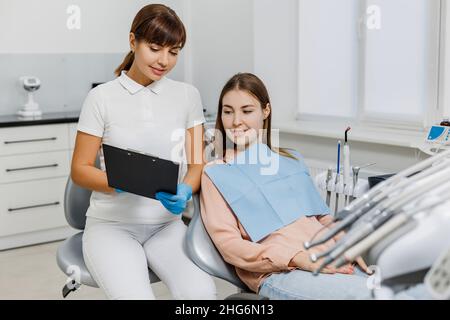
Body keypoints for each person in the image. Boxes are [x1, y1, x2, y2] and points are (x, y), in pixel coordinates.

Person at [200, 73, 429, 300]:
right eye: (228, 111)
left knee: (419, 291)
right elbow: (229, 245)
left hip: (328, 254)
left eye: (247, 111)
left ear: (265, 111)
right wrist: (297, 257)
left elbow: (322, 218)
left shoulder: (291, 160)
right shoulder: (216, 172)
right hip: (282, 271)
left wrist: (347, 243)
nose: (236, 121)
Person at [71, 4, 216, 300]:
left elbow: (197, 164)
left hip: (166, 225)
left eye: (173, 52)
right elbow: (80, 169)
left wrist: (185, 191)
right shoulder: (101, 98)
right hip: (111, 227)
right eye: (154, 48)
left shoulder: (187, 95)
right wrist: (116, 182)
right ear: (132, 42)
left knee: (201, 293)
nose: (164, 61)